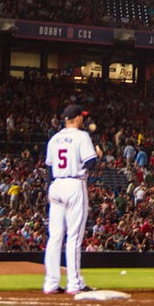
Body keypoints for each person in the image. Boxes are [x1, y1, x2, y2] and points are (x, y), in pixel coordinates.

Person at [42, 104, 101, 296]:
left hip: (56, 185)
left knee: (55, 237)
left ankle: (51, 283)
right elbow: (90, 162)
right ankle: (74, 283)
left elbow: (49, 169)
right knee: (74, 236)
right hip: (74, 184)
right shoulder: (82, 136)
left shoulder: (54, 139)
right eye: (81, 116)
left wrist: (51, 190)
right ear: (76, 118)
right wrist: (98, 155)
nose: (83, 119)